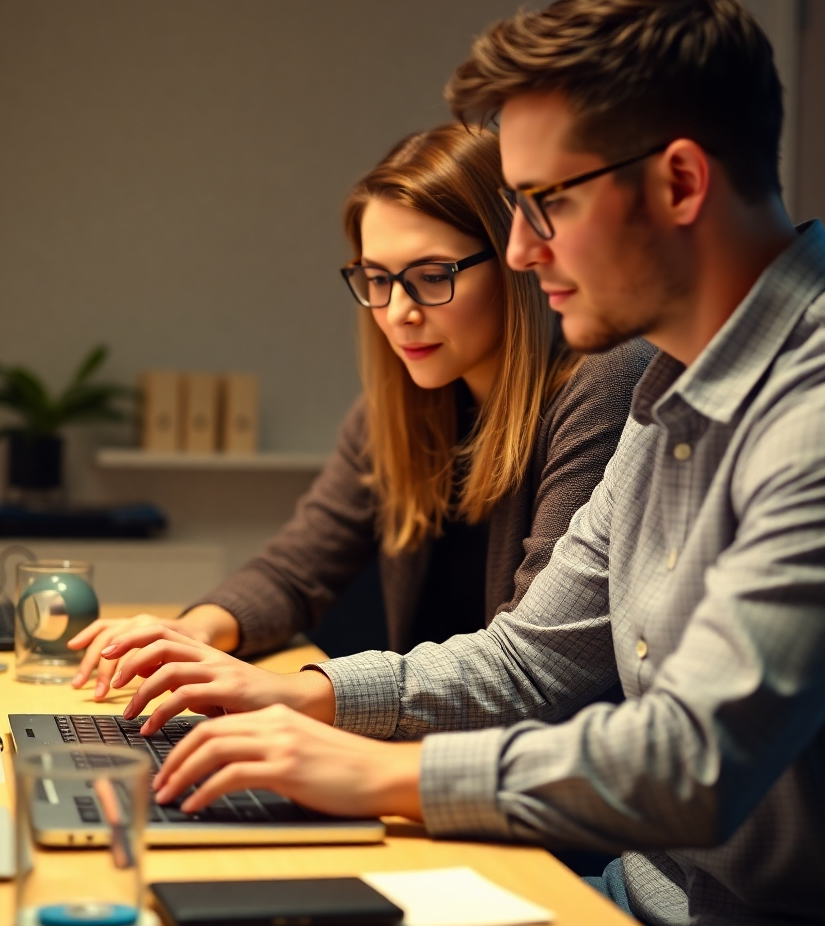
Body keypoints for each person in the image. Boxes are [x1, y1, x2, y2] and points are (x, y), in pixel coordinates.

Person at [99, 0, 825, 926]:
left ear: (680, 181)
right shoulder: (666, 388)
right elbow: (524, 662)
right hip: (628, 898)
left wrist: (379, 771)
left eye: (544, 203)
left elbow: (693, 766)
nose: (517, 252)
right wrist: (303, 700)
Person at [70, 122, 651, 697]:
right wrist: (193, 632)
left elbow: (530, 667)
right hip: (415, 742)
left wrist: (302, 695)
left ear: (514, 263)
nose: (398, 311)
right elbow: (296, 570)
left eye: (430, 276)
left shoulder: (599, 385)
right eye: (377, 279)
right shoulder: (398, 410)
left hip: (510, 760)